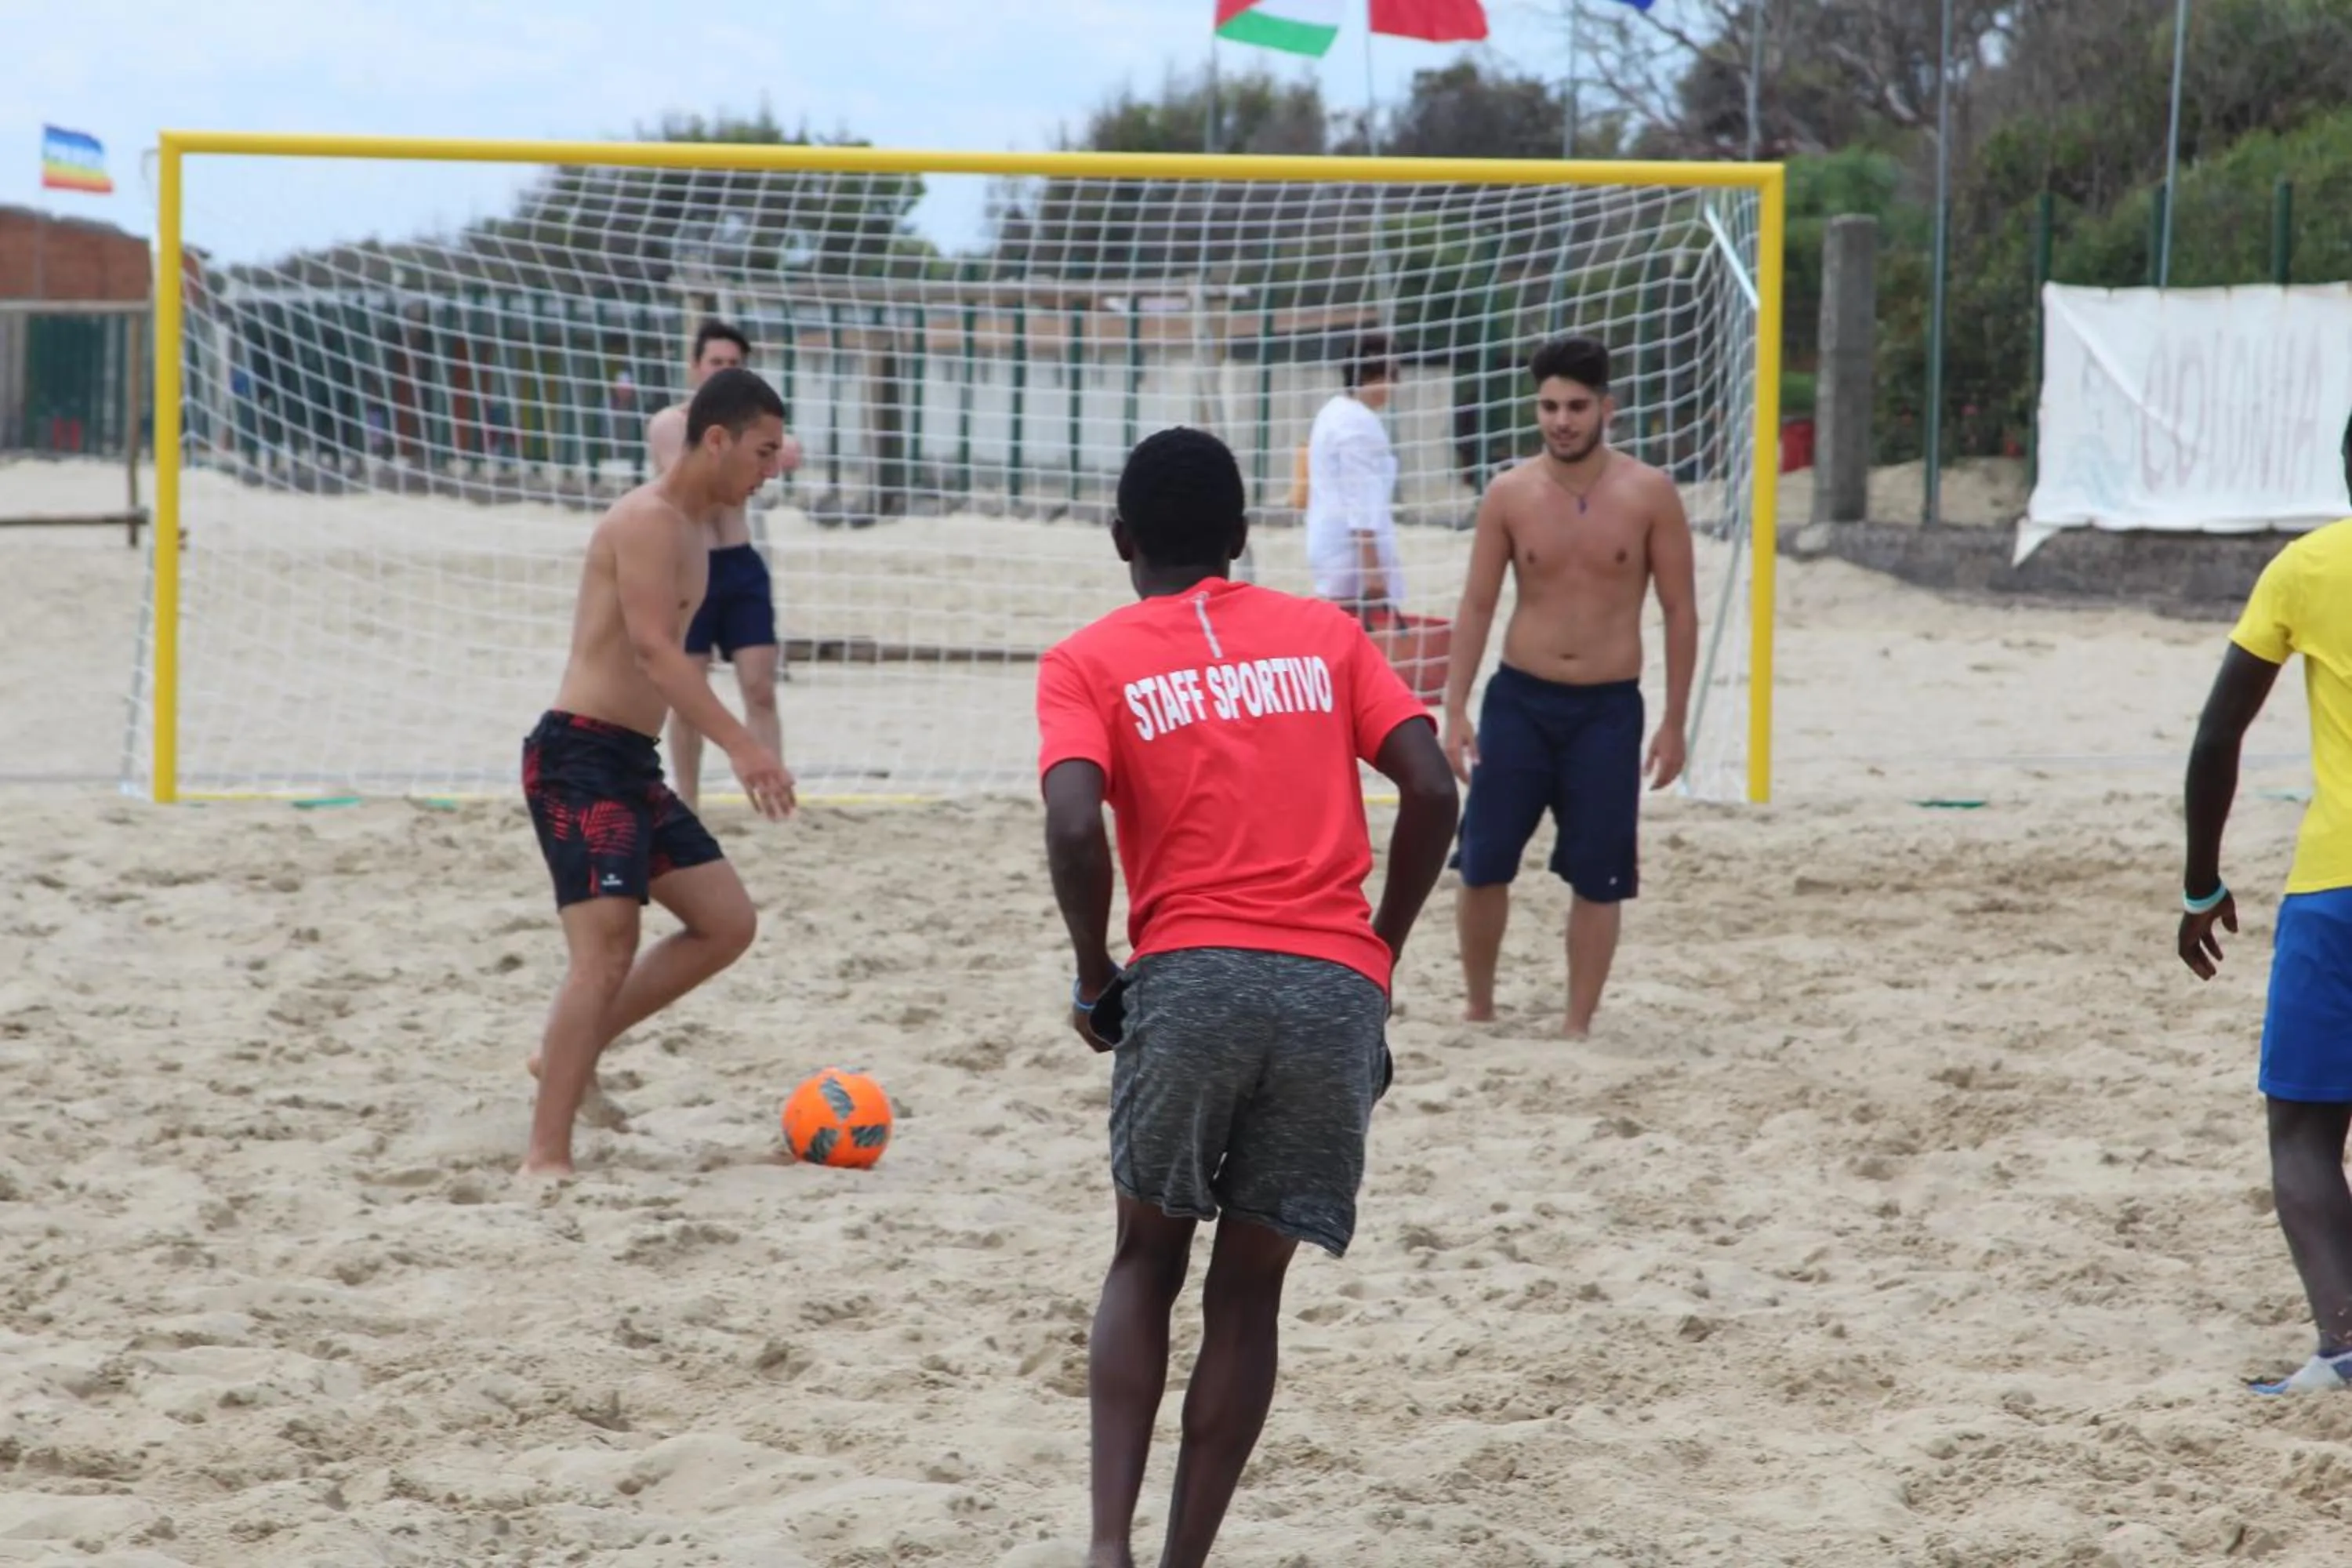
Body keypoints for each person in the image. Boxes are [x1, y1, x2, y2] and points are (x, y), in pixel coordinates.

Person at [1036, 426, 1458, 1568]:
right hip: (1333, 991)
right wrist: (1380, 956)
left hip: (1192, 978)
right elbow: (1431, 786)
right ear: (1241, 539)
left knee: (1144, 1259)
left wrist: (1093, 974)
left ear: (1121, 540)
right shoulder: (1324, 634)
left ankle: (1108, 1547)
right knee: (1249, 1295)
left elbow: (1075, 824)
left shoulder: (1087, 660)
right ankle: (1182, 1561)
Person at [520, 366, 798, 1178]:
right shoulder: (645, 520)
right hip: (577, 755)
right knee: (604, 951)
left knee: (727, 920)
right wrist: (745, 745)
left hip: (628, 761)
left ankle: (569, 1049)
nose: (772, 469)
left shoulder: (701, 539)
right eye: (763, 450)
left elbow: (674, 670)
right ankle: (545, 1156)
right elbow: (652, 651)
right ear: (716, 439)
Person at [1440, 334, 1699, 1037]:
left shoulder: (1649, 494)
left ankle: (1577, 1023)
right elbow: (1477, 604)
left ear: (1606, 408)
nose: (1562, 420)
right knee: (1484, 858)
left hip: (1609, 709)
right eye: (1550, 406)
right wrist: (1453, 708)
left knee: (1600, 870)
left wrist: (1675, 723)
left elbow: (1679, 610)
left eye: (1577, 406)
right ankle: (1480, 1006)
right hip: (1520, 699)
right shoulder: (1509, 493)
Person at [2179, 419, 2352, 1394]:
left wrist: (2201, 880)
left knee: (2303, 1130)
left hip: (2338, 886)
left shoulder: (2306, 569)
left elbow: (2216, 737)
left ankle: (2346, 1345)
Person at [645, 318, 804, 811]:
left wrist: (765, 452)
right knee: (688, 695)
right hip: (692, 564)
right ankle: (687, 801)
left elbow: (782, 458)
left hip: (740, 563)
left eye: (734, 364)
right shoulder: (672, 423)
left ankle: (774, 798)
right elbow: (700, 488)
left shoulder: (759, 433)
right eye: (717, 362)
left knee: (759, 688)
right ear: (695, 367)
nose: (724, 370)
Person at [1304, 332, 1405, 625]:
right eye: (1392, 374)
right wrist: (1371, 567)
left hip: (1329, 541)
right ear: (1376, 375)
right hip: (1351, 550)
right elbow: (1360, 496)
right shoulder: (1357, 422)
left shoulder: (1332, 411)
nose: (1395, 385)